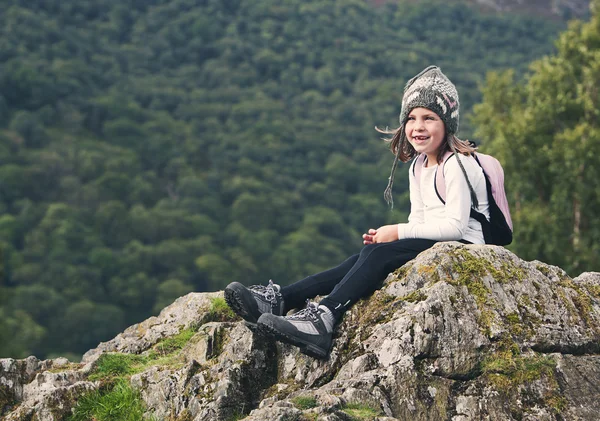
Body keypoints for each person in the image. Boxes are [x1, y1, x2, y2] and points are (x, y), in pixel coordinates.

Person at [224, 65, 490, 359]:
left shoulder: (457, 164)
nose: (418, 127)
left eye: (430, 118)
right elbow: (422, 220)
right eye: (412, 118)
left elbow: (455, 226)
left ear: (448, 124)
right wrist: (394, 238)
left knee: (376, 256)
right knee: (363, 257)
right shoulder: (418, 165)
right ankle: (283, 299)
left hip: (466, 246)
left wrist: (398, 232)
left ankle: (324, 318)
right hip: (439, 241)